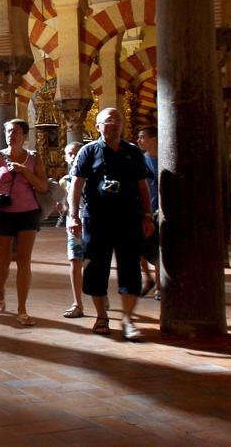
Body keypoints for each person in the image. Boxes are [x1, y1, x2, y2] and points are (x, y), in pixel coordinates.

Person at [67, 108, 156, 340]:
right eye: (109, 121)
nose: (115, 124)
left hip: (128, 218)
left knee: (129, 268)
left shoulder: (133, 152)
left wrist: (147, 215)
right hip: (96, 219)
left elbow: (142, 186)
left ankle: (128, 319)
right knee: (96, 268)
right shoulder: (88, 151)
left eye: (118, 120)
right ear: (97, 127)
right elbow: (76, 186)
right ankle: (101, 316)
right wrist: (73, 216)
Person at [0, 119, 48, 327]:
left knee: (24, 260)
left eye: (15, 131)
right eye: (7, 131)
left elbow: (42, 187)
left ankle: (22, 308)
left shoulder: (34, 158)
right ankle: (0, 290)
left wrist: (25, 172)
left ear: (24, 135)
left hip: (28, 213)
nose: (11, 135)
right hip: (4, 213)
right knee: (3, 259)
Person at [60, 141, 87, 318]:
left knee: (94, 261)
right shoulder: (64, 181)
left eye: (77, 153)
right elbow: (63, 204)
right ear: (65, 158)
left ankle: (102, 294)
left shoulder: (92, 176)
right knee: (75, 260)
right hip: (74, 224)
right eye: (70, 153)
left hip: (93, 222)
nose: (73, 156)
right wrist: (61, 206)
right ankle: (77, 302)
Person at [136, 126, 161, 300]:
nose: (139, 140)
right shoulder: (140, 160)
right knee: (138, 248)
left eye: (142, 137)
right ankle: (148, 278)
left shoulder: (166, 158)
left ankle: (159, 286)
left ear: (154, 139)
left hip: (161, 212)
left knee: (159, 249)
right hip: (144, 211)